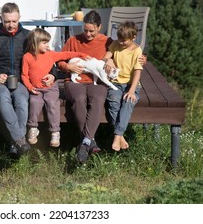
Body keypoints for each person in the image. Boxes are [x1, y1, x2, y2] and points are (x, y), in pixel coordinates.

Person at [56, 10, 146, 163]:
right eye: (85, 30)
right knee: (79, 98)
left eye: (92, 31)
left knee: (97, 99)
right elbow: (59, 60)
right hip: (76, 80)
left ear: (99, 27)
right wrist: (68, 68)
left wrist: (113, 61)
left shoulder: (108, 41)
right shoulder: (73, 40)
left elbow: (126, 50)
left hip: (97, 81)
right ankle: (89, 141)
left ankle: (85, 141)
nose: (88, 34)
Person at [0, 2, 56, 157]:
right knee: (3, 97)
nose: (11, 25)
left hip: (20, 81)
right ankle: (20, 140)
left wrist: (53, 73)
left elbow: (46, 56)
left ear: (19, 18)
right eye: (7, 21)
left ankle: (15, 143)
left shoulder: (28, 37)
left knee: (21, 100)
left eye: (14, 21)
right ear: (1, 18)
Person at [21, 28, 89, 147]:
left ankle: (55, 131)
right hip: (36, 89)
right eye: (44, 42)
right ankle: (32, 128)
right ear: (35, 43)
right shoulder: (27, 57)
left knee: (52, 103)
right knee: (33, 102)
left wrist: (81, 54)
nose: (48, 45)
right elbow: (24, 75)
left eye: (48, 42)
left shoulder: (50, 54)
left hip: (51, 88)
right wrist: (30, 87)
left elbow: (66, 54)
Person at [102, 21, 143, 151]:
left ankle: (117, 134)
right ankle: (120, 136)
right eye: (119, 39)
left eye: (124, 41)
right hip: (115, 83)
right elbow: (104, 58)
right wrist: (108, 59)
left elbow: (137, 72)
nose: (121, 42)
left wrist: (131, 91)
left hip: (131, 84)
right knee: (113, 101)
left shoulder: (137, 51)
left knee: (128, 101)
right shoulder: (115, 44)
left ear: (133, 37)